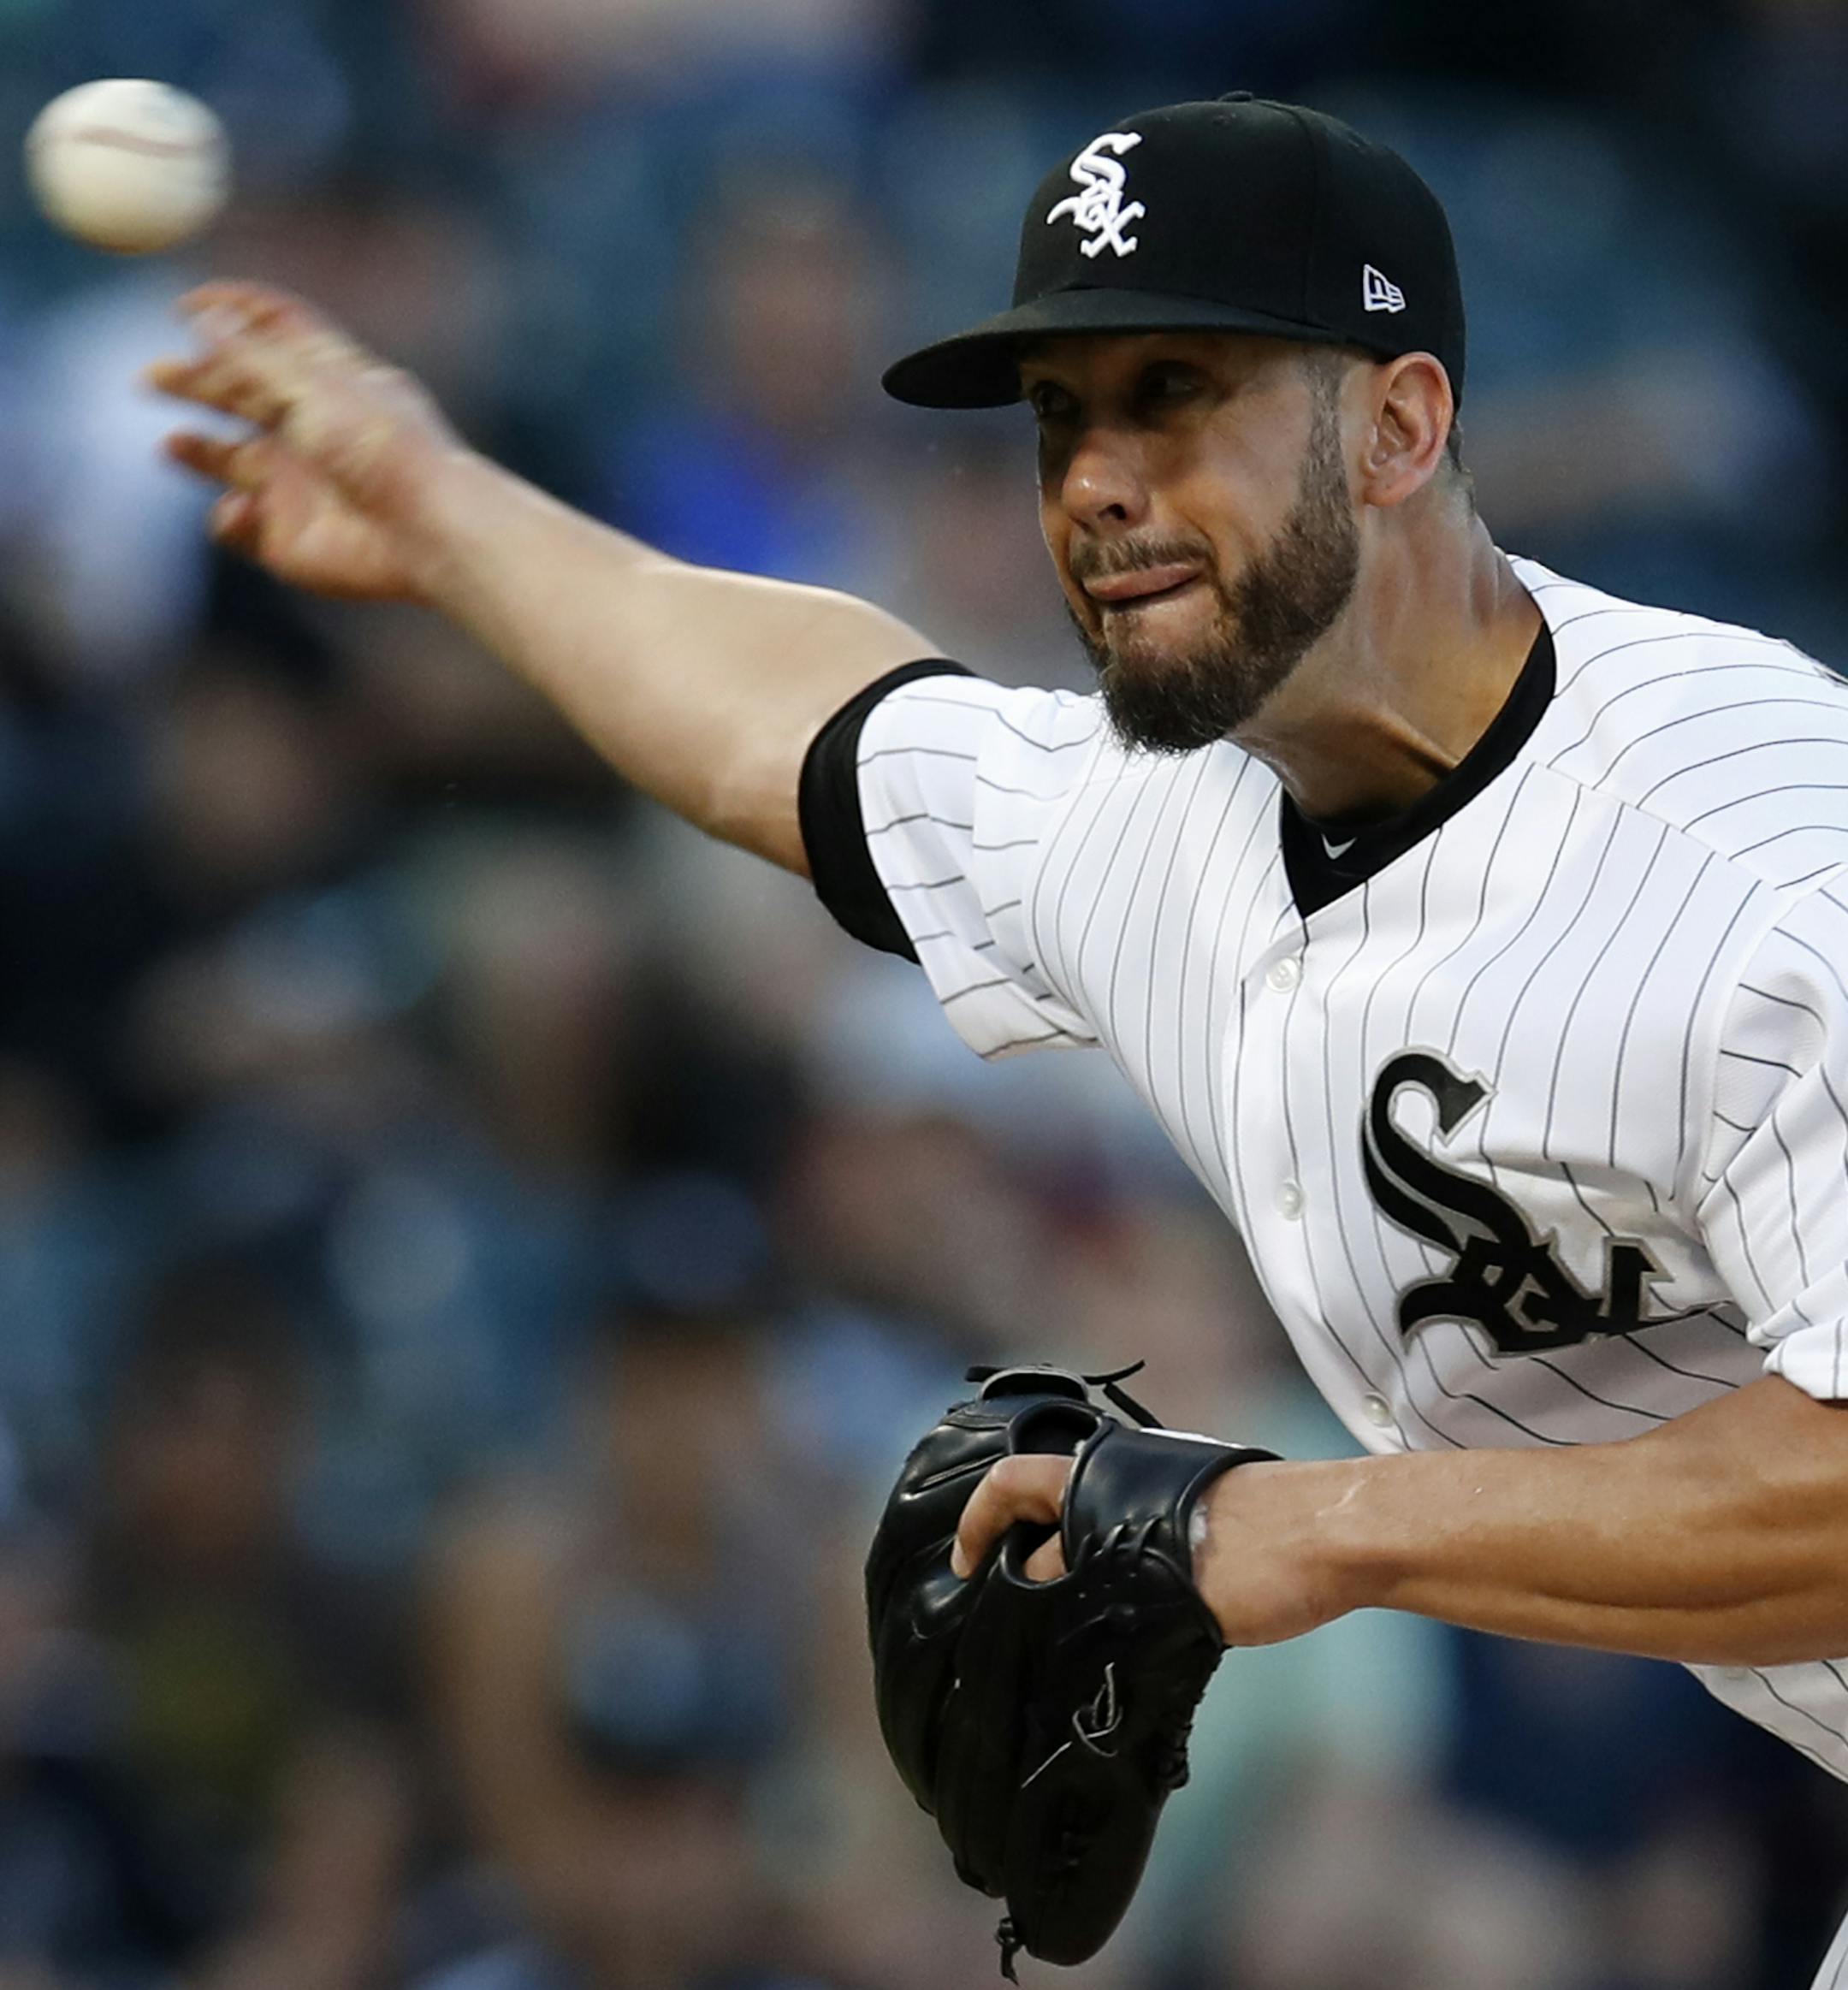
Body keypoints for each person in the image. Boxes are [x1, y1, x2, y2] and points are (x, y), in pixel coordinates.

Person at [145, 91, 1848, 1987]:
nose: (1097, 479)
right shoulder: (1176, 814)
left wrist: (1306, 1527)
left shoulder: (1763, 859)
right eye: (1060, 416)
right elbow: (792, 727)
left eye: (1174, 391)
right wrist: (437, 506)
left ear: (1401, 423)